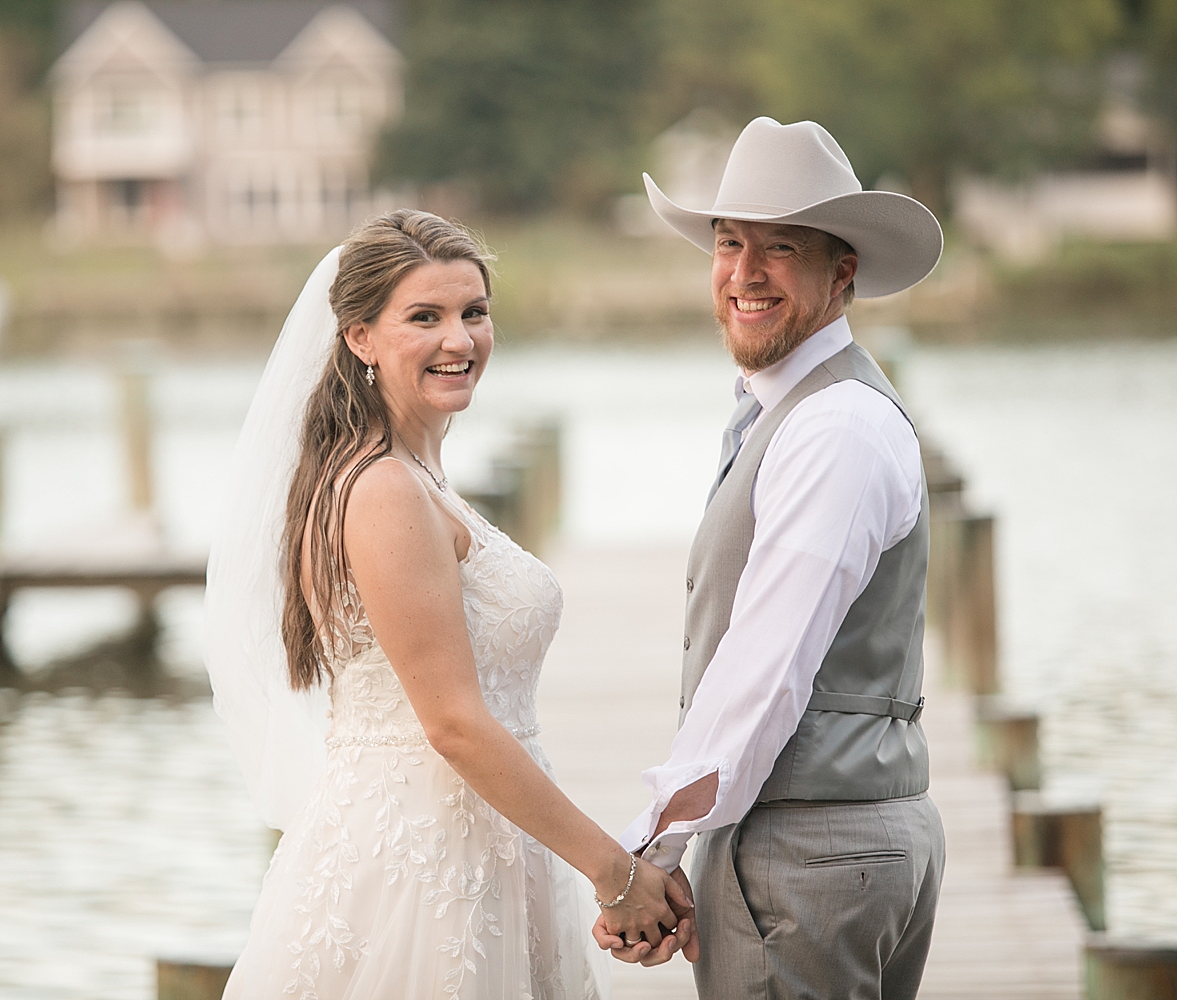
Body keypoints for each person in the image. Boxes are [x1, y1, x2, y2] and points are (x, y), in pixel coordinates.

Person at [206, 209, 692, 999]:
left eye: (474, 312)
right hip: (422, 861)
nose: (460, 340)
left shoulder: (411, 474)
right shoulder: (385, 490)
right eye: (424, 318)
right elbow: (455, 724)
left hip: (485, 837)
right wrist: (615, 872)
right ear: (359, 337)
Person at [595, 117, 949, 998]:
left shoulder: (833, 427)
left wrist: (651, 849)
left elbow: (765, 668)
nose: (744, 274)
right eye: (728, 242)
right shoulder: (790, 409)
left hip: (809, 857)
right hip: (828, 847)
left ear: (843, 270)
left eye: (780, 247)